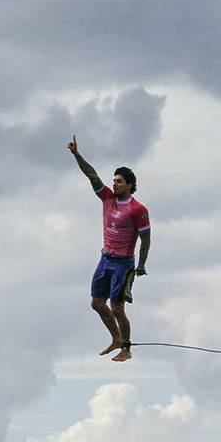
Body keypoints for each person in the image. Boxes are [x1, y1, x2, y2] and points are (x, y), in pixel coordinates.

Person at [67, 134, 151, 362]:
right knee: (96, 303)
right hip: (105, 259)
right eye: (114, 180)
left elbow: (146, 239)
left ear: (130, 186)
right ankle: (115, 338)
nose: (114, 184)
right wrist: (76, 154)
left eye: (119, 181)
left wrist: (141, 265)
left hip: (123, 264)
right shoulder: (107, 198)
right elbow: (91, 175)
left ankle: (126, 348)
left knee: (117, 307)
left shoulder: (138, 209)